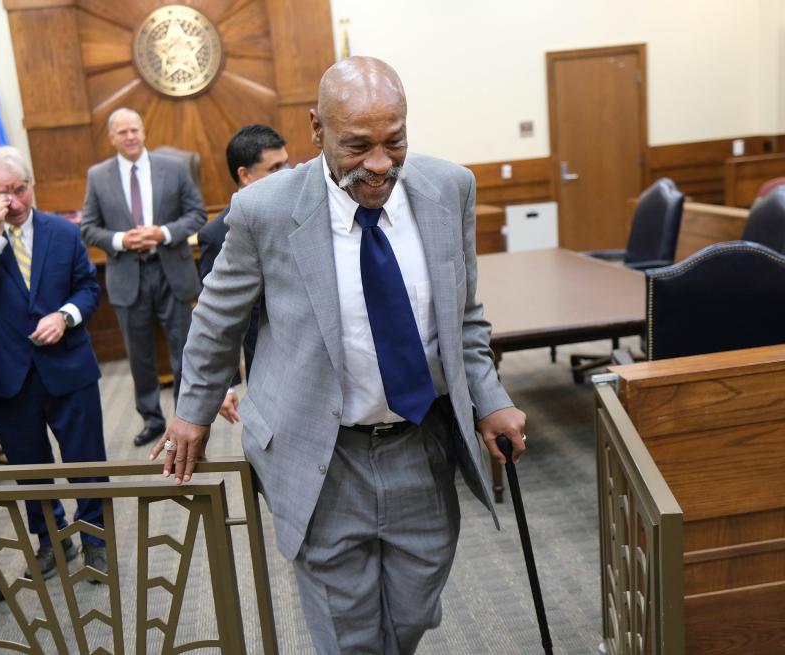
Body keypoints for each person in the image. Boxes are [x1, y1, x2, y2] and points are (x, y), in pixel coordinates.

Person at [154, 57, 528, 653]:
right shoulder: (264, 211)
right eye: (358, 146)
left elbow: (462, 316)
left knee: (413, 609)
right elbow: (218, 319)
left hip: (419, 441)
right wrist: (191, 412)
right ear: (316, 129)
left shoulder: (449, 188)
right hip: (319, 450)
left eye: (394, 141)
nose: (380, 164)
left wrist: (490, 397)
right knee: (346, 628)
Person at [0, 146, 109, 581]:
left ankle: (96, 541)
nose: (15, 202)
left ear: (32, 185)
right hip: (6, 374)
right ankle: (52, 540)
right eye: (3, 193)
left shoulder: (62, 231)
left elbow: (87, 289)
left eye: (20, 190)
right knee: (29, 468)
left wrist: (65, 315)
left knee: (87, 461)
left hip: (68, 365)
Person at [80, 108, 207, 447]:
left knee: (184, 351)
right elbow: (88, 228)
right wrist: (122, 240)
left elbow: (196, 214)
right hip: (127, 276)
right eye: (122, 132)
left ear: (143, 131)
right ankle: (152, 419)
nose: (130, 136)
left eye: (134, 129)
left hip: (172, 272)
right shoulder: (98, 175)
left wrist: (163, 233)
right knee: (140, 356)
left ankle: (185, 419)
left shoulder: (174, 168)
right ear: (112, 138)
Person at [197, 124, 288, 423]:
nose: (286, 174)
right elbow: (219, 316)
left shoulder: (303, 211)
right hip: (268, 365)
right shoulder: (217, 234)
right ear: (245, 175)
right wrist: (226, 385)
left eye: (286, 163)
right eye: (275, 167)